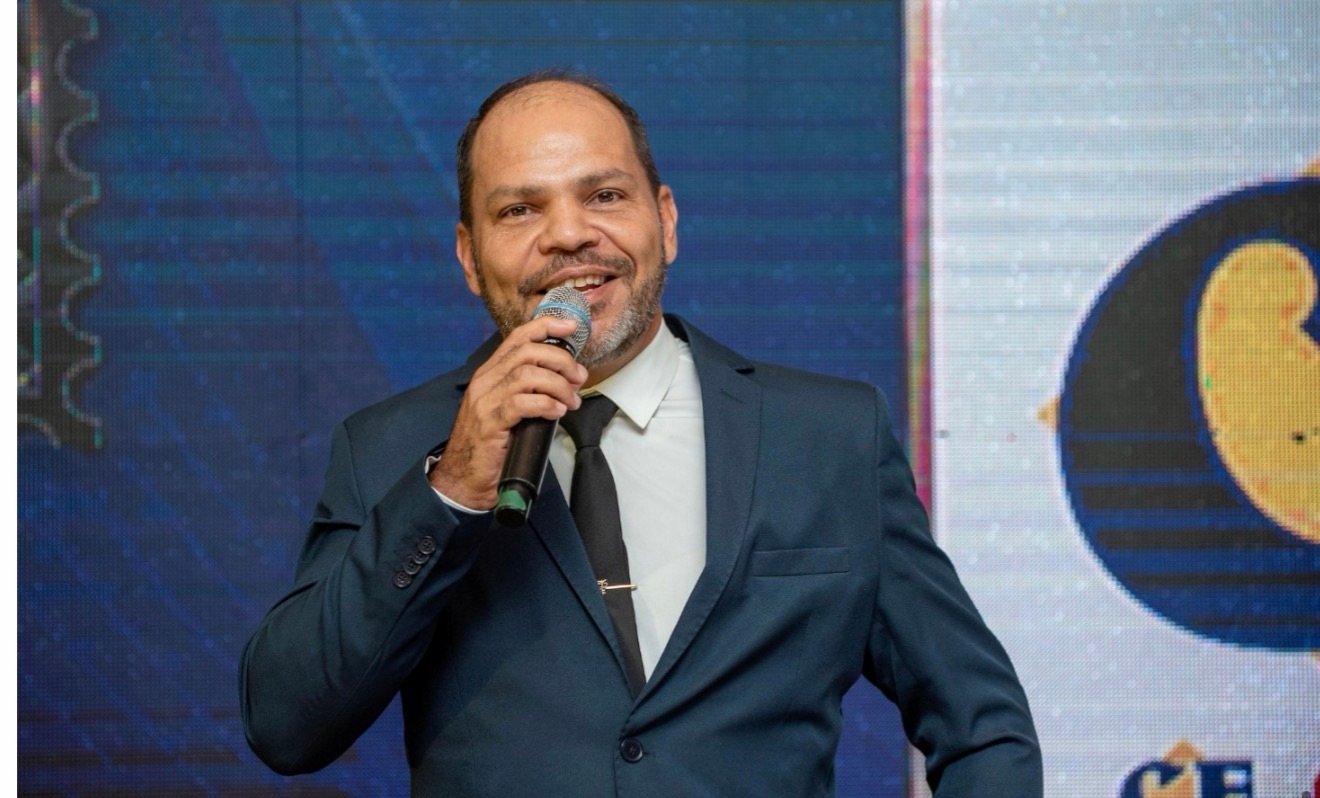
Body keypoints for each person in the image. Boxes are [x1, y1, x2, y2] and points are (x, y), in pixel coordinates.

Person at [240, 69, 1042, 796]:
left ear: (666, 221)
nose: (568, 235)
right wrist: (451, 491)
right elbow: (287, 726)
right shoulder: (390, 449)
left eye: (604, 196)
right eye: (519, 209)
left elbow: (984, 727)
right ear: (469, 257)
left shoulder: (828, 438)